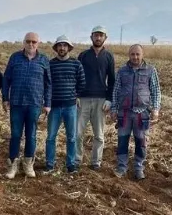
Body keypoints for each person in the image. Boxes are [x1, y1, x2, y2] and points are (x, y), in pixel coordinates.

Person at [2, 32, 51, 179]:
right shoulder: (15, 58)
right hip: (16, 103)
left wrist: (47, 103)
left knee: (31, 135)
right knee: (16, 134)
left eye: (34, 42)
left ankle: (28, 163)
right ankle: (13, 165)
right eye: (28, 41)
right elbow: (6, 79)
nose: (31, 44)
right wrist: (5, 98)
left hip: (34, 103)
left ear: (38, 44)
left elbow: (48, 84)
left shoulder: (43, 60)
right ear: (23, 42)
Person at [110, 44, 161, 179]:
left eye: (138, 54)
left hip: (142, 113)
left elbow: (156, 91)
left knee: (141, 141)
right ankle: (122, 167)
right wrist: (114, 109)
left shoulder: (150, 70)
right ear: (129, 55)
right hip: (124, 113)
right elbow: (115, 91)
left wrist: (155, 109)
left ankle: (139, 167)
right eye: (132, 54)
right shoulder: (122, 71)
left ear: (142, 55)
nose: (135, 57)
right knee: (122, 140)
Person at [76, 25, 116, 170]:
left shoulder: (109, 57)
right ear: (91, 37)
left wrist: (109, 99)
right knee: (78, 132)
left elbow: (112, 80)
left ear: (105, 38)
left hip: (101, 100)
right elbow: (77, 77)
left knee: (99, 135)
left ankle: (96, 161)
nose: (98, 38)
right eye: (96, 35)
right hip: (83, 100)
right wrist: (77, 95)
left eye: (101, 35)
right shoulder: (83, 55)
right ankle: (76, 159)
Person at [45, 35, 85, 173]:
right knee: (51, 136)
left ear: (69, 48)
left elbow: (82, 82)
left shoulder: (76, 64)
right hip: (54, 106)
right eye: (59, 45)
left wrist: (75, 96)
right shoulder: (50, 64)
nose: (62, 48)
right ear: (56, 48)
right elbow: (47, 84)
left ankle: (71, 164)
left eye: (64, 45)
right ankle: (50, 163)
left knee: (72, 137)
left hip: (70, 106)